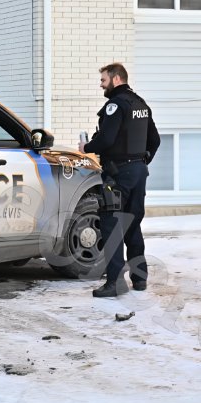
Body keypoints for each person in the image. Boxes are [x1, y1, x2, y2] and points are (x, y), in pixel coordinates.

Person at [79, 63, 160, 298]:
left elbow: (106, 140)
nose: (101, 85)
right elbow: (154, 141)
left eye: (103, 80)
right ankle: (140, 279)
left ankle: (114, 283)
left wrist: (87, 147)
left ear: (115, 79)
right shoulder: (140, 104)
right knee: (132, 225)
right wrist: (141, 162)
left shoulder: (115, 105)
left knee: (112, 226)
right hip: (138, 173)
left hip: (117, 175)